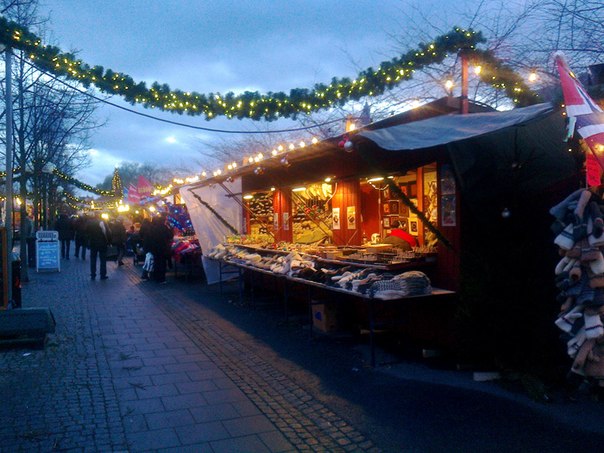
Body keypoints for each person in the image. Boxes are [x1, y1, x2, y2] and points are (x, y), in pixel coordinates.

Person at [147, 214, 174, 284]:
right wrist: (170, 228)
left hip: (155, 248)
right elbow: (170, 236)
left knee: (157, 262)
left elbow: (150, 238)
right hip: (163, 248)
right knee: (162, 263)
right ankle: (161, 278)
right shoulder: (164, 227)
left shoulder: (153, 228)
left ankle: (156, 277)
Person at [86, 212, 112, 280]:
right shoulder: (102, 222)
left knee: (93, 259)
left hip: (93, 243)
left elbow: (86, 233)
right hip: (102, 243)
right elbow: (107, 233)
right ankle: (103, 274)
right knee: (103, 259)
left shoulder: (89, 223)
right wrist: (109, 242)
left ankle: (93, 274)